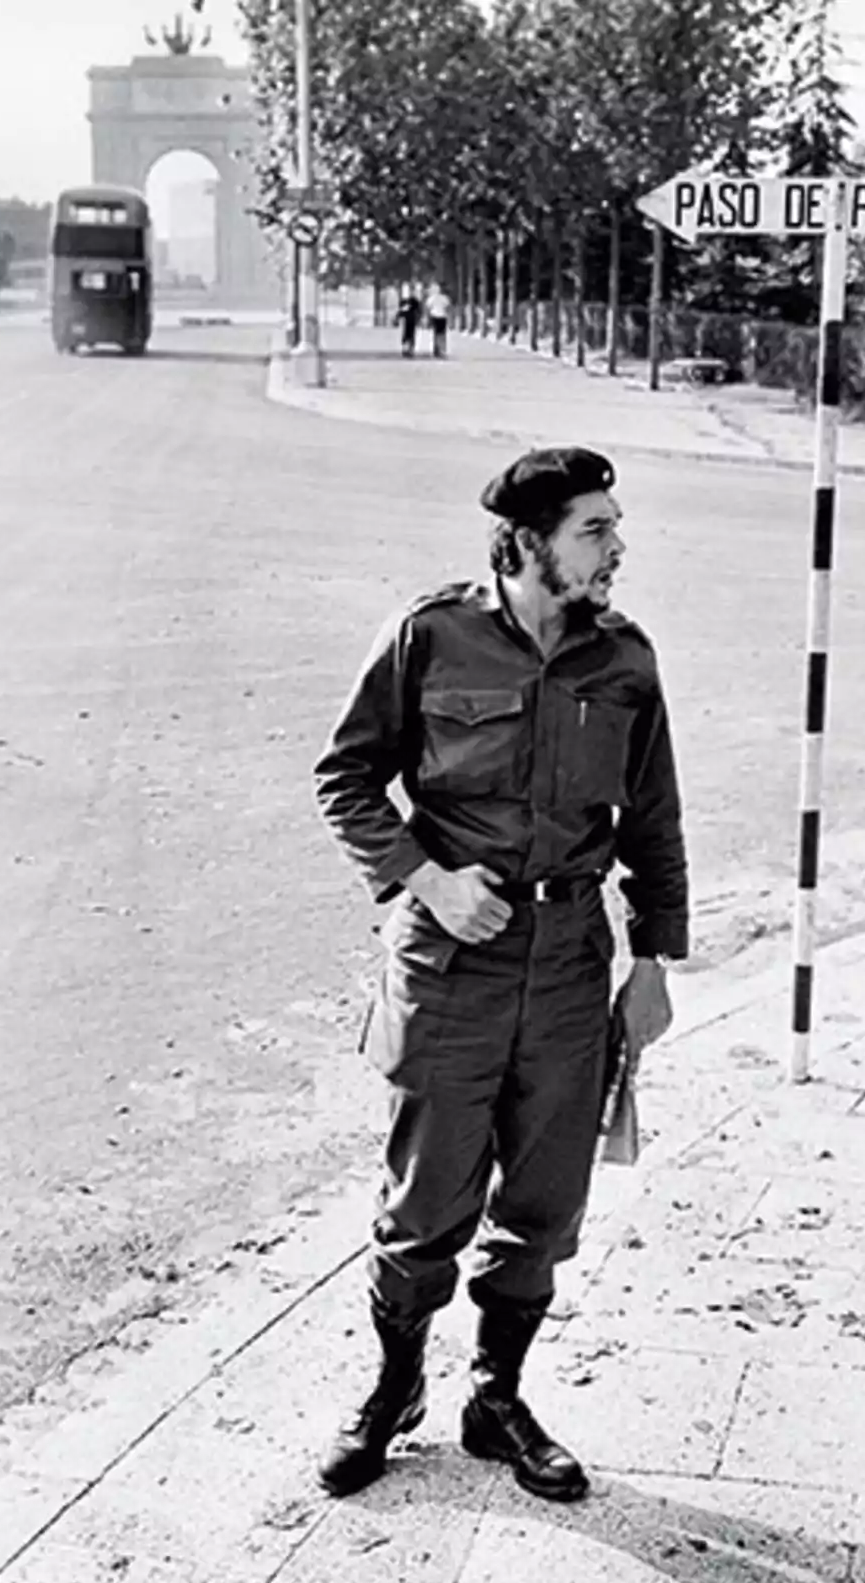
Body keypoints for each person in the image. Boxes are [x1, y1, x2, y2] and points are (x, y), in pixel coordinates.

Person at [313, 446, 689, 1504]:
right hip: (449, 966)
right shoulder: (428, 637)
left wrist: (652, 963)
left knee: (543, 1203)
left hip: (571, 964)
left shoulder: (625, 661)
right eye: (596, 531)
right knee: (425, 1200)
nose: (618, 549)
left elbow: (653, 821)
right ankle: (394, 1392)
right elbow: (345, 778)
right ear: (531, 543)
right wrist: (424, 879)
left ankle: (497, 1398)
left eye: (614, 527)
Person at [395, 288, 421, 357]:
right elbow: (418, 314)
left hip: (407, 324)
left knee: (406, 336)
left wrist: (396, 320)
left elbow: (400, 313)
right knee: (410, 336)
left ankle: (406, 350)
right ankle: (409, 350)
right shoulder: (413, 311)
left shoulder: (407, 309)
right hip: (411, 324)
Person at [427, 285, 450, 357]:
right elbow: (448, 306)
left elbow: (428, 307)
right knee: (442, 334)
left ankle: (436, 349)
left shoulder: (431, 298)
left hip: (434, 316)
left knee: (435, 333)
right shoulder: (444, 298)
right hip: (442, 316)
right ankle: (442, 350)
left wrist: (428, 317)